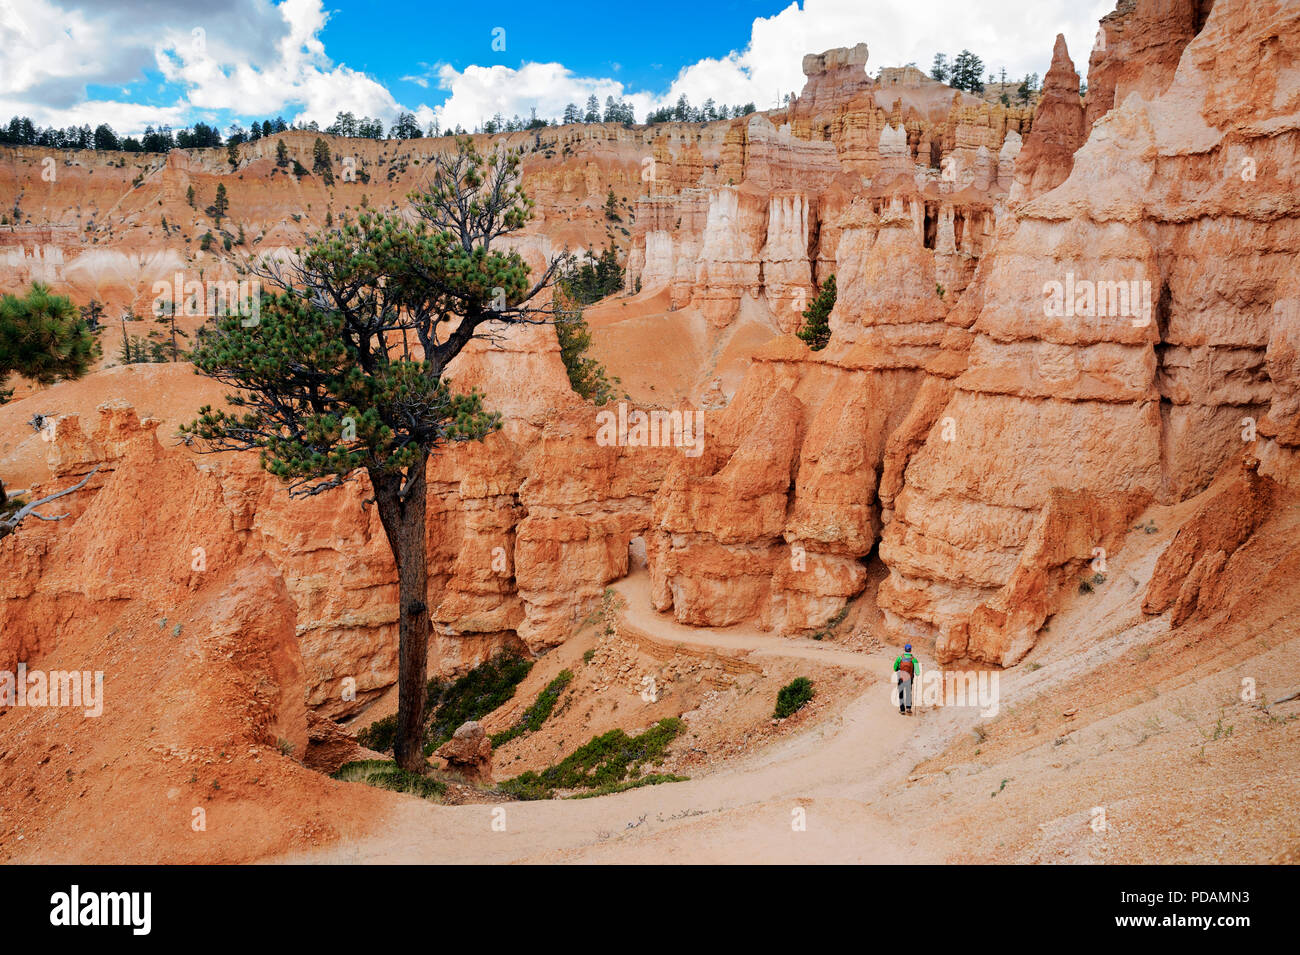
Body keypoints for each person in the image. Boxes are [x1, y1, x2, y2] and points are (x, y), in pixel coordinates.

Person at [893, 644, 920, 715]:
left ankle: (902, 709)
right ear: (911, 650)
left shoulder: (899, 658)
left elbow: (895, 668)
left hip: (901, 678)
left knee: (901, 693)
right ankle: (908, 708)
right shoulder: (914, 660)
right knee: (908, 692)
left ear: (904, 649)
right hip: (909, 678)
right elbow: (917, 672)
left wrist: (898, 669)